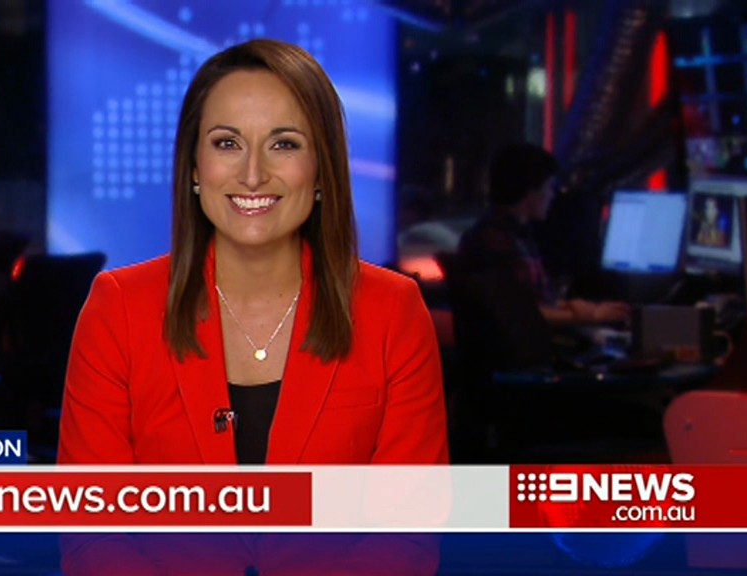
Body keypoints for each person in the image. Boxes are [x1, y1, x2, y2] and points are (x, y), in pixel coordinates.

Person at [58, 39, 447, 575]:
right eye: (227, 143)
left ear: (322, 171)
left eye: (284, 144)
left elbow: (407, 537)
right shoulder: (118, 309)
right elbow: (92, 534)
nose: (252, 174)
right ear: (195, 168)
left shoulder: (393, 311)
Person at [459, 143, 631, 327]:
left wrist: (573, 307)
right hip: (525, 343)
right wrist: (588, 317)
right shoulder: (495, 241)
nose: (552, 195)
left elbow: (531, 302)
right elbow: (518, 313)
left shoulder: (516, 234)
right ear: (530, 190)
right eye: (549, 186)